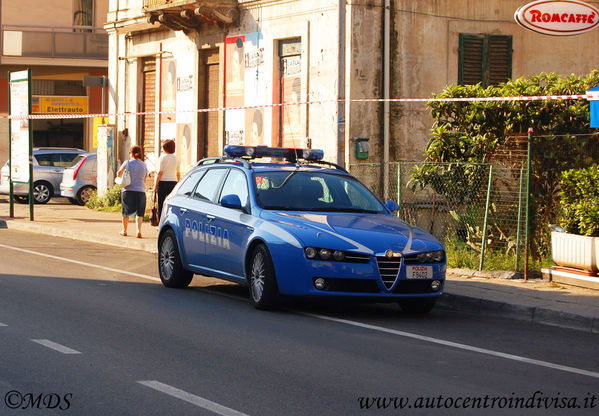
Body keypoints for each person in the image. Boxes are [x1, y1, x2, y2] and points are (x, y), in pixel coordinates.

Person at [117, 145, 148, 238]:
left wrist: (119, 178)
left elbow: (119, 173)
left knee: (126, 211)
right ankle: (138, 231)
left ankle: (124, 230)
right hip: (141, 191)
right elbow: (145, 178)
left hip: (128, 190)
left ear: (131, 153)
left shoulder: (127, 163)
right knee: (140, 212)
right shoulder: (144, 164)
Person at [154, 139, 180, 219]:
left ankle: (161, 222)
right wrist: (178, 184)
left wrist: (155, 185)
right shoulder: (176, 158)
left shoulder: (162, 158)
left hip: (163, 182)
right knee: (172, 203)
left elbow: (160, 173)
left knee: (161, 203)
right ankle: (171, 219)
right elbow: (178, 173)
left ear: (165, 148)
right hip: (173, 182)